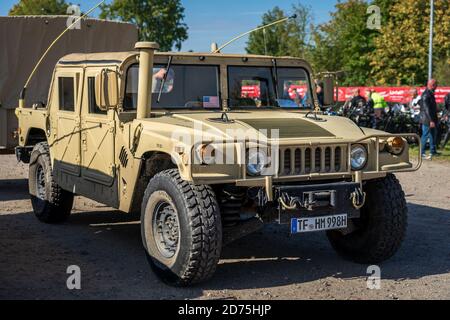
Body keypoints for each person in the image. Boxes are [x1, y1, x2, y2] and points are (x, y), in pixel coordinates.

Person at [420, 79, 439, 159]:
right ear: (432, 85)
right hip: (427, 119)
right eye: (436, 85)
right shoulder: (426, 94)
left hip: (431, 118)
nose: (437, 87)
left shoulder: (430, 93)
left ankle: (433, 151)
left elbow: (431, 107)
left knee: (432, 135)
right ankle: (422, 153)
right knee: (425, 135)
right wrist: (431, 120)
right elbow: (426, 109)